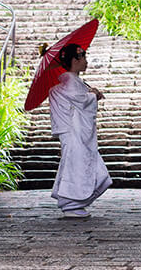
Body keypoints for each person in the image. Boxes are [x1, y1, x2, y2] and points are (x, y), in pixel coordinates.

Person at [48, 43, 112, 217]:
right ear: (75, 60)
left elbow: (80, 100)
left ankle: (71, 202)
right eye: (83, 57)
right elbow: (82, 102)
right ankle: (71, 203)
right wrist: (94, 95)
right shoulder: (70, 82)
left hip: (73, 132)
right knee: (77, 166)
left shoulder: (71, 82)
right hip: (74, 133)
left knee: (82, 167)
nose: (86, 61)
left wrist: (91, 94)